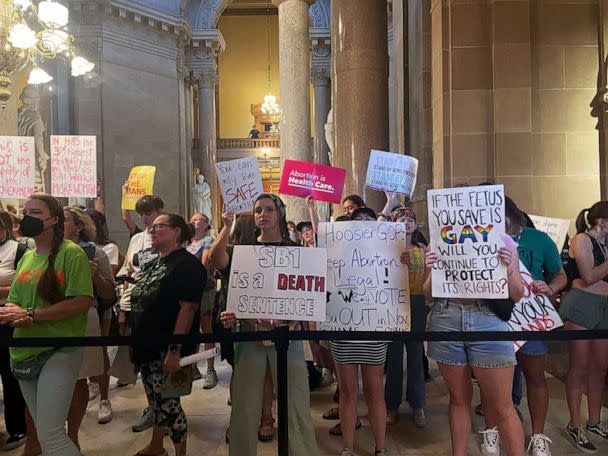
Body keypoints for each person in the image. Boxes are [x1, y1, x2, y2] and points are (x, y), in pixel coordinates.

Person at [214, 194, 320, 456]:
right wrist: (227, 226)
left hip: (289, 335)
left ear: (280, 214)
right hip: (251, 335)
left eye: (269, 209)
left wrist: (288, 318)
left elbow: (305, 293)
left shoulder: (295, 251)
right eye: (258, 210)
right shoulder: (241, 251)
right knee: (244, 404)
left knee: (296, 401)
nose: (263, 214)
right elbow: (214, 260)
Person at [0, 193, 93, 456]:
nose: (27, 217)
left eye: (35, 212)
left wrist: (31, 315)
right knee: (43, 431)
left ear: (53, 220)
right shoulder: (28, 257)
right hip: (24, 350)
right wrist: (10, 313)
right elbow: (14, 300)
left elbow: (82, 301)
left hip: (59, 349)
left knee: (51, 436)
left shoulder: (71, 254)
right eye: (26, 211)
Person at [478, 197, 566, 456]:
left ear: (512, 214)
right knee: (492, 383)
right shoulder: (480, 238)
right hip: (495, 316)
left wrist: (550, 288)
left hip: (530, 317)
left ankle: (538, 435)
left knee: (536, 377)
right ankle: (491, 430)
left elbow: (560, 275)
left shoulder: (538, 239)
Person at [424, 234, 526, 456]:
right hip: (447, 316)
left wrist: (507, 267)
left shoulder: (503, 240)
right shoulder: (438, 240)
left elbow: (517, 293)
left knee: (502, 406)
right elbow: (428, 295)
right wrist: (433, 270)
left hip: (488, 318)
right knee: (458, 399)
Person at [130, 213, 205, 456]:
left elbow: (188, 308)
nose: (152, 231)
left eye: (160, 227)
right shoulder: (154, 262)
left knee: (170, 404)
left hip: (168, 346)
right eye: (151, 227)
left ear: (177, 231)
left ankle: (180, 452)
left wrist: (175, 349)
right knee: (155, 402)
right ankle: (156, 445)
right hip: (147, 345)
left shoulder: (187, 264)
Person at [329, 206, 390, 456]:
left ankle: (381, 447)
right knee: (348, 391)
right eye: (359, 219)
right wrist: (312, 210)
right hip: (344, 328)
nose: (364, 223)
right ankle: (348, 447)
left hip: (374, 327)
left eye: (369, 219)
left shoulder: (386, 252)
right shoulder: (337, 253)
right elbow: (323, 250)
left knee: (376, 390)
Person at [561, 201, 608, 454]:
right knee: (578, 367)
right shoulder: (582, 239)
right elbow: (588, 276)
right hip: (583, 303)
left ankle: (594, 420)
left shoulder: (605, 243)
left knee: (600, 367)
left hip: (605, 305)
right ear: (601, 221)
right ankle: (574, 424)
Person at [64, 207, 116, 434]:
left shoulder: (95, 252)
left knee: (92, 363)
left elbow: (108, 293)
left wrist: (93, 275)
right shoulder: (42, 251)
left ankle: (104, 399)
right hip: (54, 317)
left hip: (87, 313)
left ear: (78, 226)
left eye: (64, 219)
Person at [116, 195, 164, 432]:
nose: (145, 218)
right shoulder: (136, 239)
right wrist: (125, 303)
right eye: (142, 214)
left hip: (161, 307)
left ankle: (164, 408)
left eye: (149, 212)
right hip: (137, 305)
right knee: (143, 361)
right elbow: (127, 269)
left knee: (160, 364)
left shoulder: (170, 234)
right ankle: (151, 405)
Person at [384, 204, 428, 428]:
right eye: (401, 219)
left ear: (416, 224)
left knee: (416, 355)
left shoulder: (423, 247)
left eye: (410, 218)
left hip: (418, 302)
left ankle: (418, 404)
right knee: (393, 357)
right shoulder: (387, 248)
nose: (407, 222)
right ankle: (391, 405)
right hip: (394, 303)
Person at [86, 208, 122, 422]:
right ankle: (91, 384)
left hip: (100, 304)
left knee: (100, 350)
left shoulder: (106, 248)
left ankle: (104, 398)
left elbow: (111, 276)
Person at [0, 211, 28, 451]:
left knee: (10, 377)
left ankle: (18, 427)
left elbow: (23, 283)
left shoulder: (18, 250)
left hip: (7, 318)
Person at [186, 213, 218, 388]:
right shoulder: (186, 242)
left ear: (206, 224)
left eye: (197, 219)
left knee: (206, 328)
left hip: (204, 288)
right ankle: (193, 365)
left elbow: (204, 263)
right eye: (192, 219)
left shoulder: (208, 240)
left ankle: (211, 369)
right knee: (190, 327)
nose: (193, 221)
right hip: (188, 290)